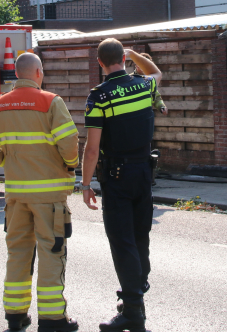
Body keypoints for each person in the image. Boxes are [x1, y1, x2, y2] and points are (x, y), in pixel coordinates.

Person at [0, 52, 80, 332]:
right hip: (49, 196)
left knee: (18, 252)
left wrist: (9, 162)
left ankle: (15, 315)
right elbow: (69, 142)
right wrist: (70, 164)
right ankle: (52, 318)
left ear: (16, 74)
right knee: (52, 252)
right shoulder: (51, 102)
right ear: (38, 73)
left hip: (15, 195)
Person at [82, 39, 161, 332]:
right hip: (144, 174)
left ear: (100, 62)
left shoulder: (99, 96)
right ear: (124, 59)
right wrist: (135, 55)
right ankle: (137, 293)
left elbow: (92, 149)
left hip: (117, 176)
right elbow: (157, 73)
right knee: (140, 236)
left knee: (122, 241)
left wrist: (86, 184)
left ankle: (133, 311)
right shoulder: (144, 85)